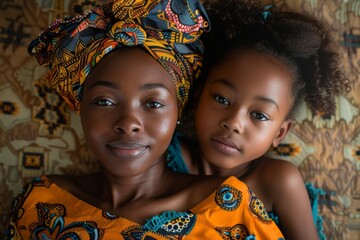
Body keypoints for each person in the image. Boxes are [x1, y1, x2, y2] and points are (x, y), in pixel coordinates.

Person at [6, 0, 285, 239]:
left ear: (179, 111)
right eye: (104, 101)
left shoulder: (229, 206)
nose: (129, 123)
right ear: (80, 108)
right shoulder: (41, 201)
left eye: (153, 103)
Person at [166, 0, 351, 239]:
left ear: (280, 133)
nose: (233, 122)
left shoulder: (278, 182)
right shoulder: (166, 157)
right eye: (222, 99)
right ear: (199, 94)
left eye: (259, 115)